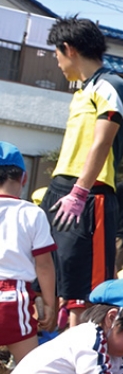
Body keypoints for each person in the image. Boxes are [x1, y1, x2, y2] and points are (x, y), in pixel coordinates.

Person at [40, 17, 123, 328]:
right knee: (48, 281)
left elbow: (102, 141)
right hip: (60, 190)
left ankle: (79, 366)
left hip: (88, 195)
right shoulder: (82, 92)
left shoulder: (111, 85)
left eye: (56, 55)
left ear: (68, 49)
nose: (58, 64)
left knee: (81, 295)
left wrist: (80, 191)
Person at [0, 142, 58, 362]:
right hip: (12, 299)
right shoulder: (31, 213)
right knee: (30, 371)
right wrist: (50, 305)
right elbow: (44, 265)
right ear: (23, 177)